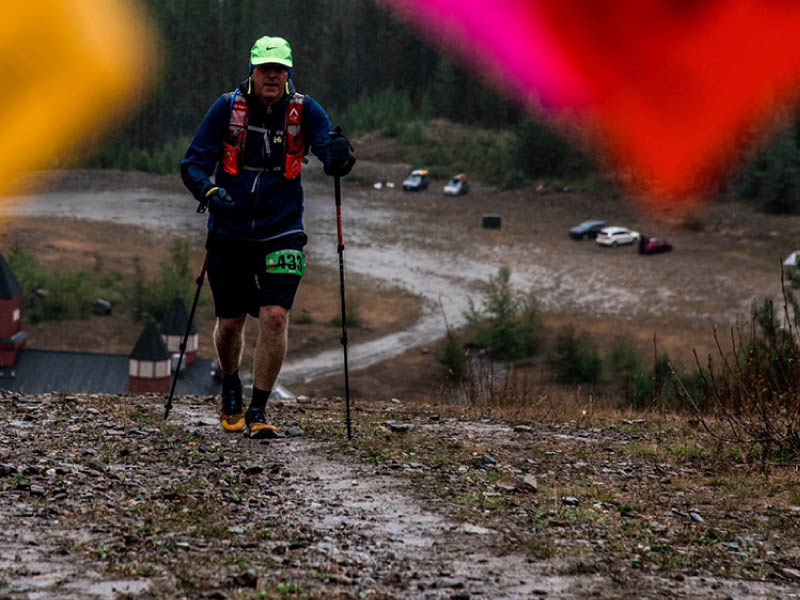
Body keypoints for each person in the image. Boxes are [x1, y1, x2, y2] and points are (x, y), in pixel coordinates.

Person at [181, 35, 355, 437]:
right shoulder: (226, 108)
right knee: (230, 323)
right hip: (230, 229)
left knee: (274, 317)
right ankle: (230, 386)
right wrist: (208, 193)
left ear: (288, 72)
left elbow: (332, 159)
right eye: (265, 69)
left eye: (279, 69)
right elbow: (192, 163)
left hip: (284, 229)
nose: (272, 76)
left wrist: (342, 155)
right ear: (253, 70)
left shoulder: (306, 110)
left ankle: (259, 409)